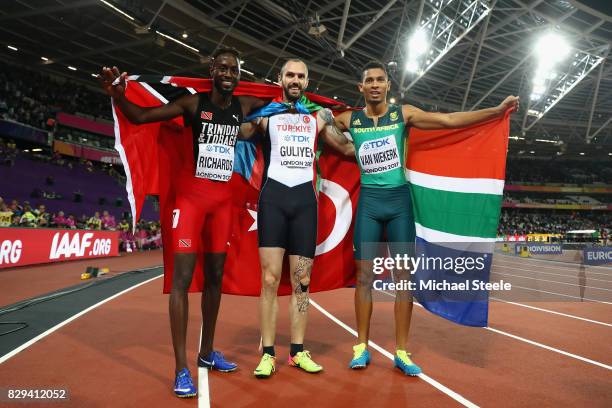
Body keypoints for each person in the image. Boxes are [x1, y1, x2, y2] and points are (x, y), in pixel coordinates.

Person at [333, 60, 519, 376]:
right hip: (369, 205)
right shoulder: (350, 120)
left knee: (403, 279)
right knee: (364, 278)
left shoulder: (402, 115)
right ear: (361, 88)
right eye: (370, 81)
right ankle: (361, 347)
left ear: (388, 86)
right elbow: (322, 127)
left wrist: (495, 111)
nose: (375, 85)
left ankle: (401, 352)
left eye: (380, 80)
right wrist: (331, 134)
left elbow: (448, 120)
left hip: (399, 205)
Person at [99, 47, 264, 398]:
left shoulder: (246, 106)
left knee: (216, 279)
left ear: (239, 73)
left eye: (234, 69)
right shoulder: (194, 104)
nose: (228, 73)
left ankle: (206, 353)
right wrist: (119, 96)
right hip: (191, 203)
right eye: (222, 67)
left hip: (222, 204)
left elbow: (282, 105)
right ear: (212, 70)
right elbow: (143, 117)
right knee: (182, 282)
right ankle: (180, 369)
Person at [241, 59, 353, 378]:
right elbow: (234, 133)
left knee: (302, 282)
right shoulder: (266, 116)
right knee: (269, 280)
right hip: (273, 201)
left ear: (306, 82)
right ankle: (267, 353)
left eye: (300, 76)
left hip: (305, 203)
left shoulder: (319, 118)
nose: (295, 79)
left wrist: (380, 143)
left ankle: (297, 351)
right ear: (280, 78)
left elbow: (346, 149)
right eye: (290, 74)